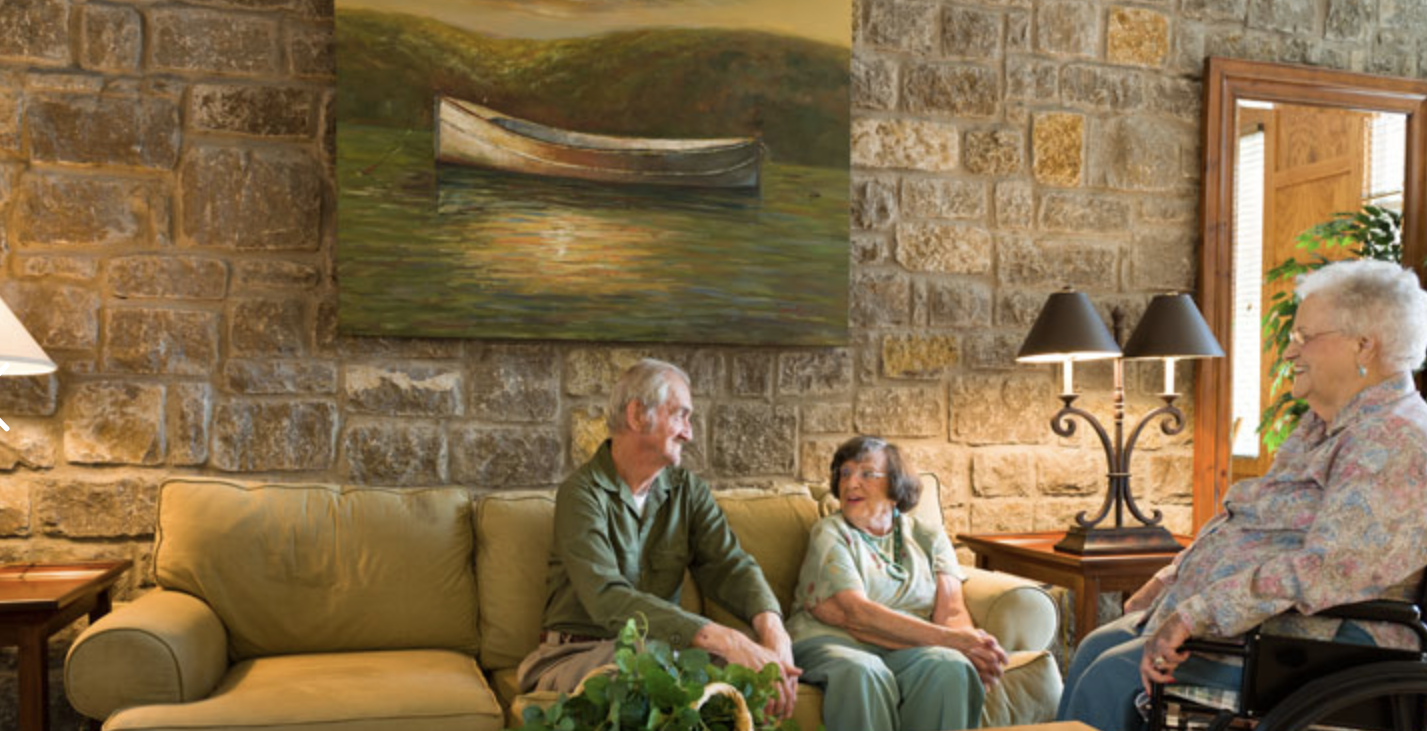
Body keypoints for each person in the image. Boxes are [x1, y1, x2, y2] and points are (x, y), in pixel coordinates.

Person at [1058, 259, 1427, 731]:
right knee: (1096, 646)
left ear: (1364, 344)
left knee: (1110, 678)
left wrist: (1195, 613)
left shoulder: (1392, 441)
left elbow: (1329, 570)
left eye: (1304, 337)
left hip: (1325, 645)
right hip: (1273, 630)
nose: (1290, 352)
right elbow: (1252, 520)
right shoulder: (1323, 426)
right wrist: (1170, 579)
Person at [517, 358, 800, 719]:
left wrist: (773, 631)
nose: (689, 433)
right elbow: (607, 598)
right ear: (638, 415)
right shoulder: (582, 494)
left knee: (740, 679)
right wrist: (725, 638)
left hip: (664, 655)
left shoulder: (689, 492)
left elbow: (729, 564)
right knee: (646, 674)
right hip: (577, 654)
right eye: (681, 415)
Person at [787, 435, 1009, 731]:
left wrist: (975, 650)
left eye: (866, 473)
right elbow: (858, 616)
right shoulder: (830, 533)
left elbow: (952, 613)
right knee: (865, 671)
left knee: (950, 667)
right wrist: (952, 641)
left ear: (895, 485)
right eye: (845, 473)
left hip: (907, 647)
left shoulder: (929, 536)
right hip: (835, 641)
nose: (851, 483)